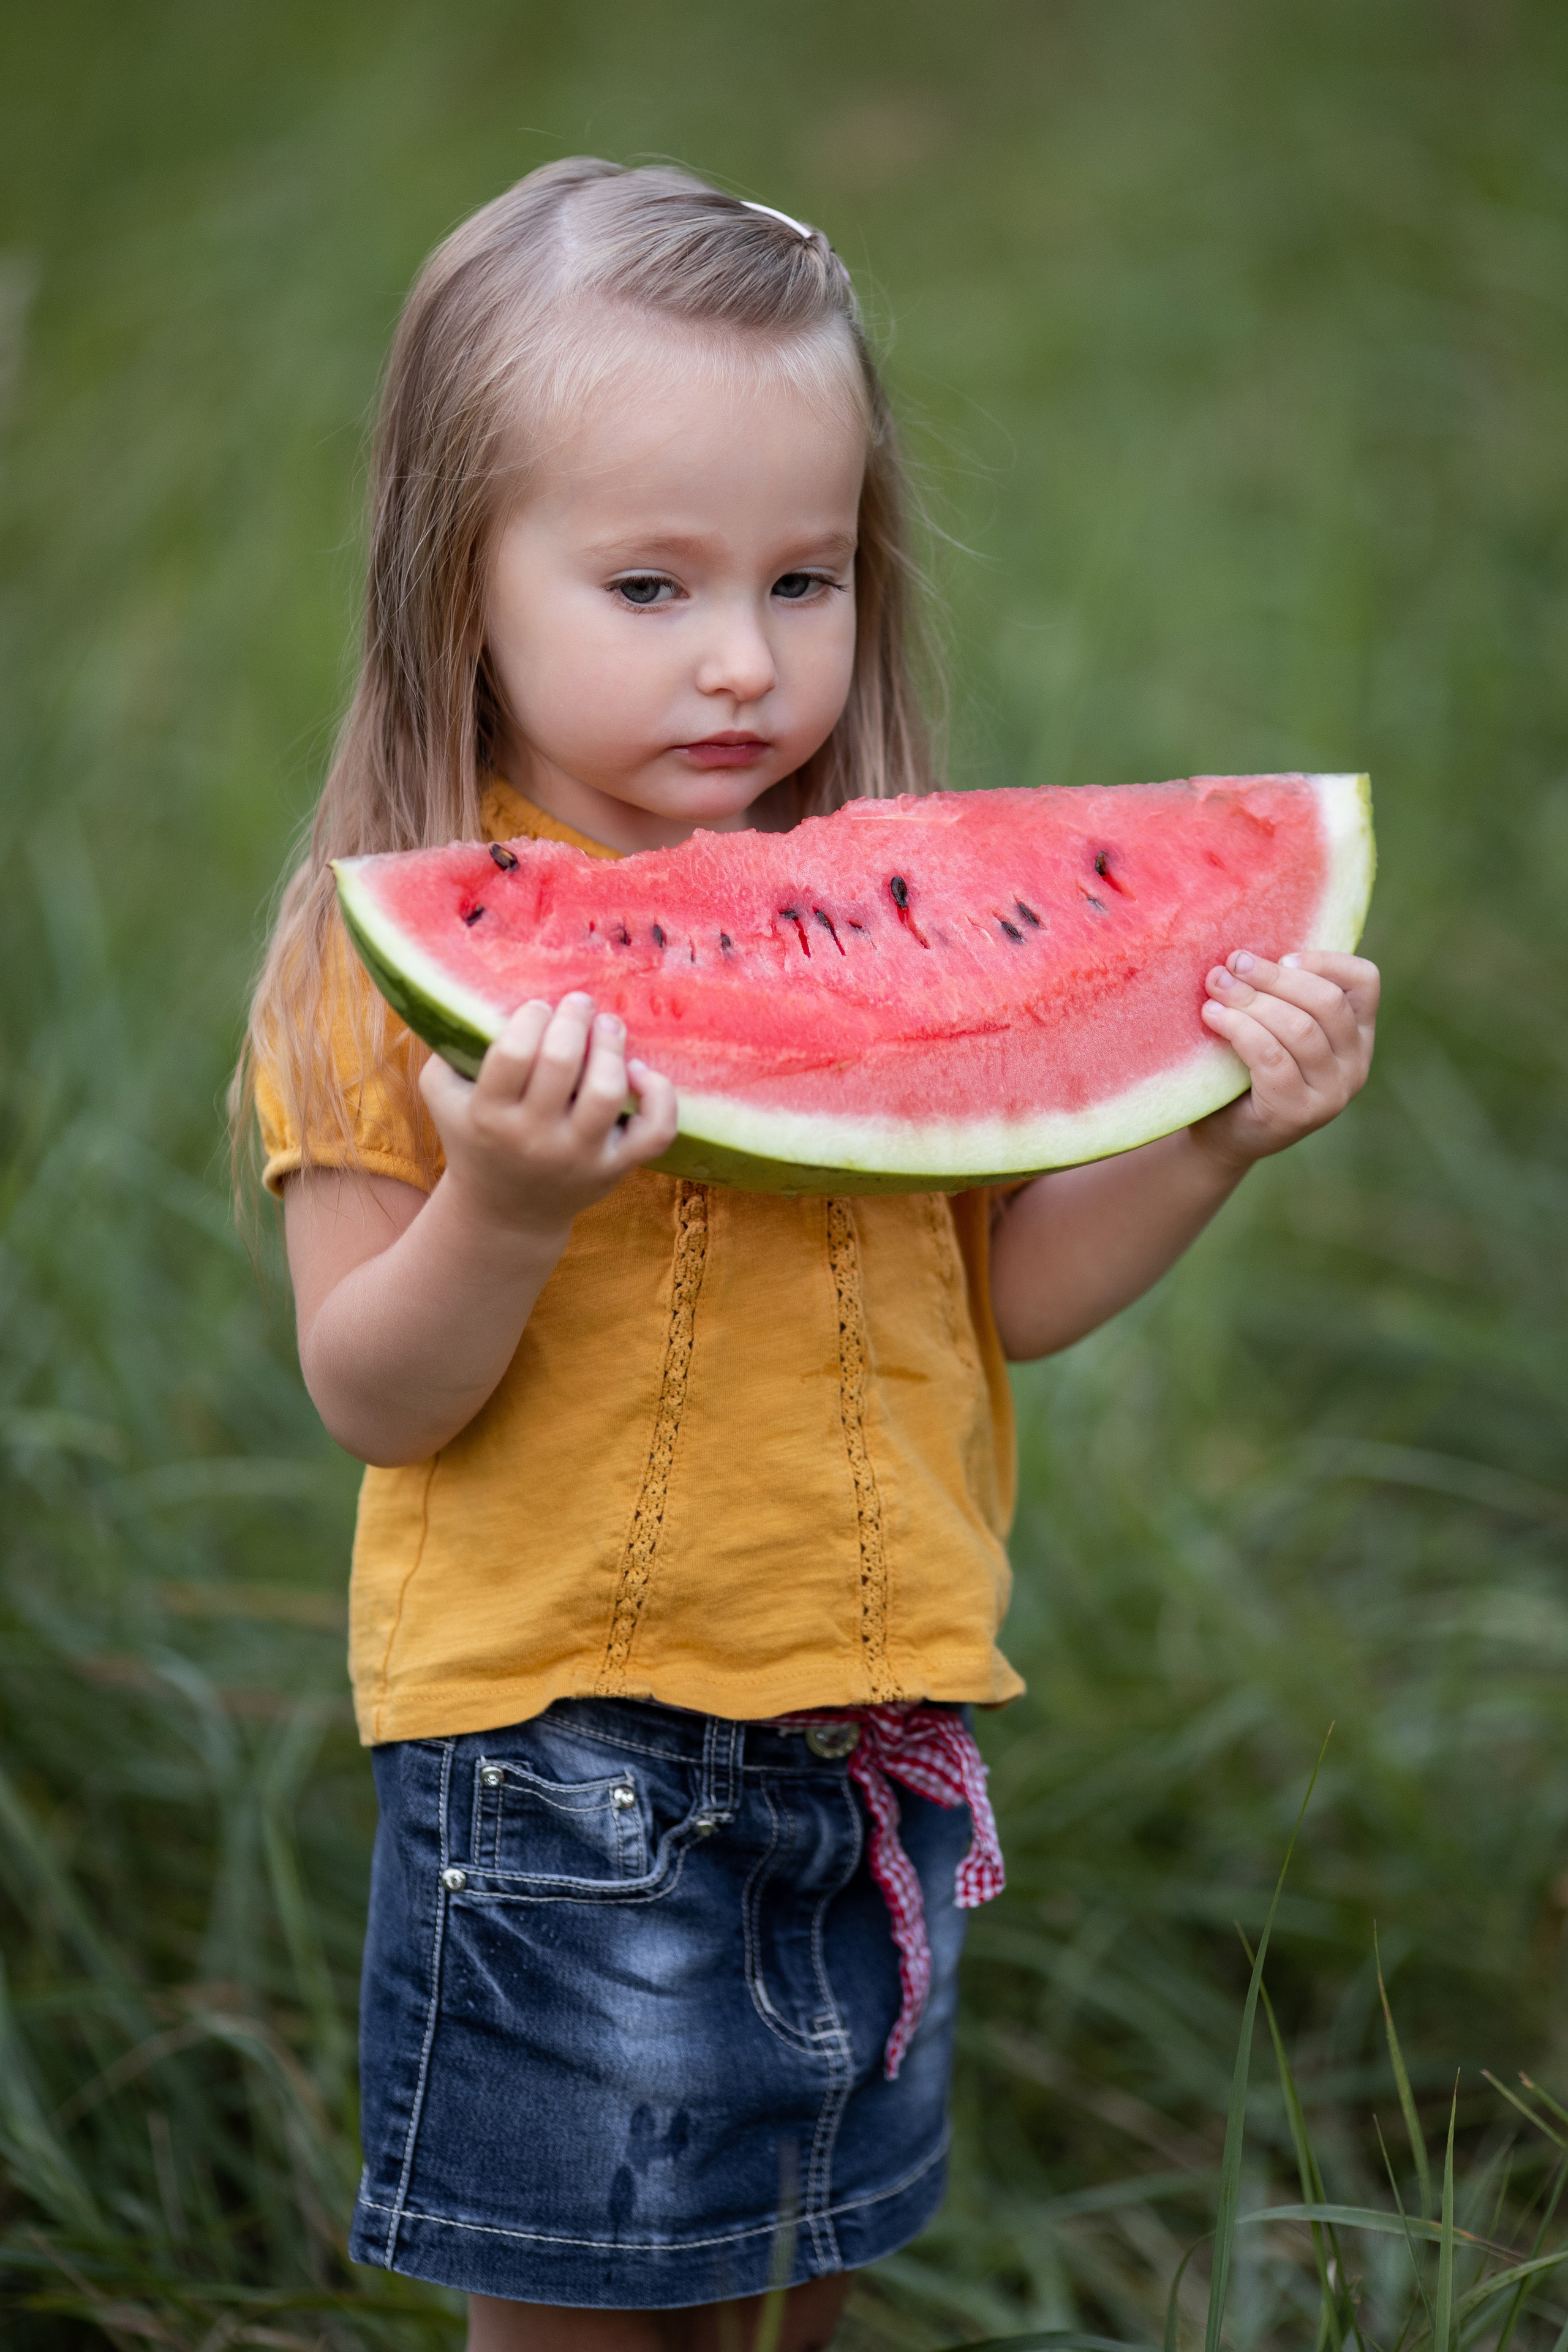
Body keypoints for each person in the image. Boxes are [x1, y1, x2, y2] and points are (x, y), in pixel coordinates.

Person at [235, 159, 1379, 2352]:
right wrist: (505, 1201)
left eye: (807, 576)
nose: (747, 658)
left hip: (874, 1743)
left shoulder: (900, 946)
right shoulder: (374, 966)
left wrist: (1210, 1135)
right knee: (578, 2314)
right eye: (648, 586)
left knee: (802, 2285)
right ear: (453, 583)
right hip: (563, 1762)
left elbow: (1006, 1298)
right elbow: (370, 1393)